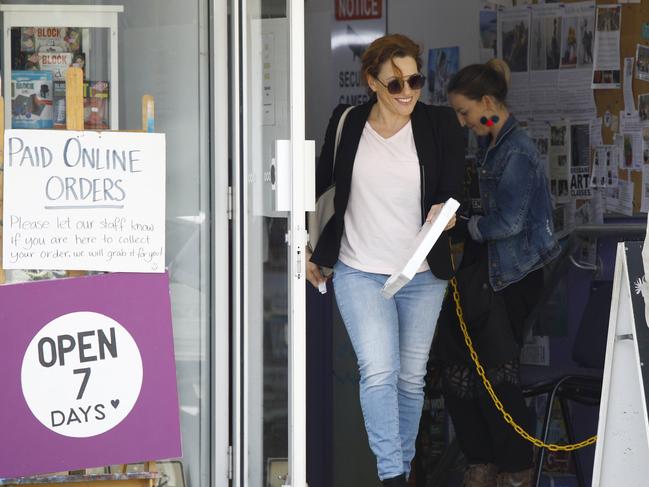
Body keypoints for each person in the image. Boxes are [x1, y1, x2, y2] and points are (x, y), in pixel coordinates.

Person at [306, 33, 465, 486]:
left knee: (410, 380)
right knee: (378, 371)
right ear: (371, 82)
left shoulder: (438, 124)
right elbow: (317, 187)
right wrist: (303, 245)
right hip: (359, 268)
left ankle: (402, 469)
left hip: (420, 272)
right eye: (395, 83)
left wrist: (447, 213)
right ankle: (393, 475)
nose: (408, 91)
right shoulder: (347, 121)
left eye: (414, 80)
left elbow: (455, 192)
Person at [433, 59, 560, 487]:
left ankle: (511, 469)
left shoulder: (518, 150)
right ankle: (481, 462)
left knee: (495, 377)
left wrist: (467, 224)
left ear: (488, 103)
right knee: (462, 373)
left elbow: (506, 223)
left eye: (466, 112)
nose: (463, 122)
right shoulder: (494, 145)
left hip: (511, 279)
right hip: (488, 278)